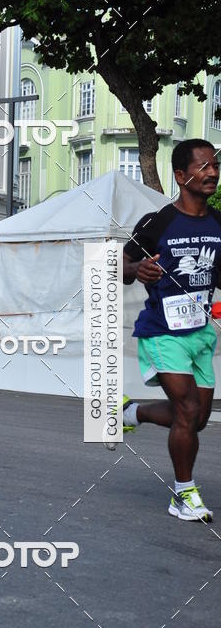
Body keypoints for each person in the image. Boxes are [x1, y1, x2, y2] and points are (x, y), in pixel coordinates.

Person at [122, 138, 221, 521]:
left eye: (214, 165)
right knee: (188, 408)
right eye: (203, 166)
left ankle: (134, 413)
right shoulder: (157, 222)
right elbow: (115, 266)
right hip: (162, 331)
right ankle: (183, 494)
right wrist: (136, 269)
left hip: (200, 332)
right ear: (181, 176)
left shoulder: (217, 223)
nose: (212, 172)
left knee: (197, 419)